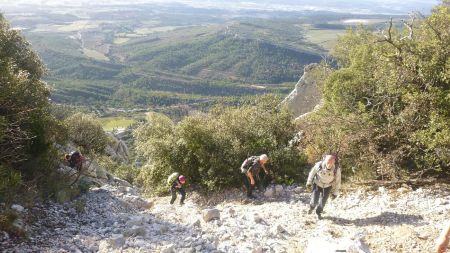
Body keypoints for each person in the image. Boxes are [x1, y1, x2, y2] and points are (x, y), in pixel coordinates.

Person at [306, 154, 341, 220]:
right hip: (317, 183)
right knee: (314, 200)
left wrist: (335, 193)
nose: (329, 164)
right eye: (328, 162)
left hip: (328, 186)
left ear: (334, 162)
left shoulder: (336, 169)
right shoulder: (319, 165)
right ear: (325, 160)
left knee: (323, 201)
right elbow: (312, 173)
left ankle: (318, 212)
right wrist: (309, 183)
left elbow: (338, 181)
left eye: (331, 162)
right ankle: (311, 207)